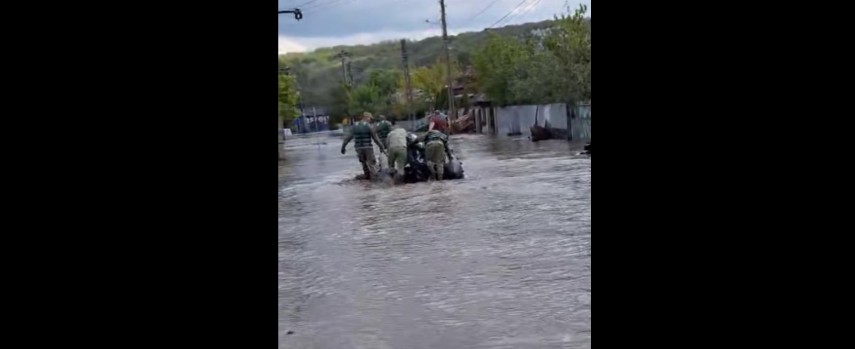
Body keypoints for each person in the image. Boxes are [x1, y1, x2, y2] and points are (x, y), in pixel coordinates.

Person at [341, 112, 386, 179]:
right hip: (368, 147)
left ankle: (367, 178)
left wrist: (343, 147)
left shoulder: (354, 126)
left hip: (358, 148)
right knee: (371, 164)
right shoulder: (369, 126)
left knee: (364, 164)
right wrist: (382, 147)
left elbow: (348, 138)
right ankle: (375, 180)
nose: (370, 120)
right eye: (370, 118)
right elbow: (376, 139)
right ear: (366, 117)